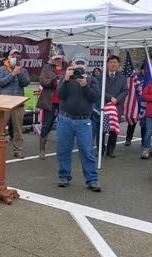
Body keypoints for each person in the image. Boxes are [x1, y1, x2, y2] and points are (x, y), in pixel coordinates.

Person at [56, 53, 101, 192]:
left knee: (87, 151)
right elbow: (60, 95)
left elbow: (94, 97)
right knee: (63, 150)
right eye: (77, 63)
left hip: (83, 121)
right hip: (65, 119)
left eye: (82, 63)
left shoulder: (92, 80)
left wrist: (84, 85)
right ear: (72, 64)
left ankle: (92, 180)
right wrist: (66, 79)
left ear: (86, 65)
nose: (79, 66)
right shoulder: (65, 78)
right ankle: (64, 176)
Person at [0, 48, 30, 158]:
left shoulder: (23, 71)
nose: (15, 58)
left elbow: (25, 83)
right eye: (13, 56)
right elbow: (0, 82)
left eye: (17, 56)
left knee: (18, 129)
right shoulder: (1, 69)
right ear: (8, 57)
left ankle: (18, 150)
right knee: (0, 129)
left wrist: (18, 72)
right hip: (4, 103)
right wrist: (12, 74)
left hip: (18, 104)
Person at [37, 50, 68, 159]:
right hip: (50, 101)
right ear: (52, 59)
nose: (57, 60)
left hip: (64, 102)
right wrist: (53, 82)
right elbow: (41, 80)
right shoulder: (47, 68)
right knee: (47, 125)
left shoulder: (68, 67)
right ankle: (42, 150)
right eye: (55, 58)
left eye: (59, 58)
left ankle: (64, 149)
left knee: (65, 126)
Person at [101, 55, 128, 158]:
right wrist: (110, 97)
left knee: (114, 130)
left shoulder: (122, 77)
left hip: (117, 107)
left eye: (115, 62)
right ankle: (101, 149)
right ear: (107, 64)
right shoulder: (102, 76)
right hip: (105, 107)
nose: (112, 64)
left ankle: (110, 150)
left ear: (118, 64)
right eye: (111, 62)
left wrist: (117, 99)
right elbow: (99, 89)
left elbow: (125, 91)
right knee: (102, 129)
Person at [125, 65, 146, 147]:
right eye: (144, 69)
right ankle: (128, 138)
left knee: (144, 123)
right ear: (141, 70)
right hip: (135, 102)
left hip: (145, 104)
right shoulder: (135, 76)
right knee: (132, 121)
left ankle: (144, 140)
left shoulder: (150, 78)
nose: (145, 71)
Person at [141, 83, 152, 159]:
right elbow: (144, 96)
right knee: (148, 132)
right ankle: (146, 150)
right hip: (150, 114)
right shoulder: (149, 86)